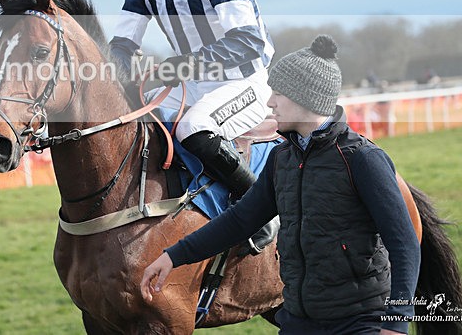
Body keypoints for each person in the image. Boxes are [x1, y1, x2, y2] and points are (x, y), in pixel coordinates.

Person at [140, 35, 421, 335]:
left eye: (278, 93)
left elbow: (404, 245)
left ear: (305, 97)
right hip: (298, 322)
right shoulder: (281, 158)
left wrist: (397, 321)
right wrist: (174, 256)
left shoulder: (364, 159)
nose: (269, 102)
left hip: (359, 324)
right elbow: (239, 221)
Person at [110, 0, 276, 251]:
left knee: (192, 126)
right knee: (134, 115)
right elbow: (122, 46)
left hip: (243, 81)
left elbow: (247, 41)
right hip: (194, 83)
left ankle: (260, 211)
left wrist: (182, 66)